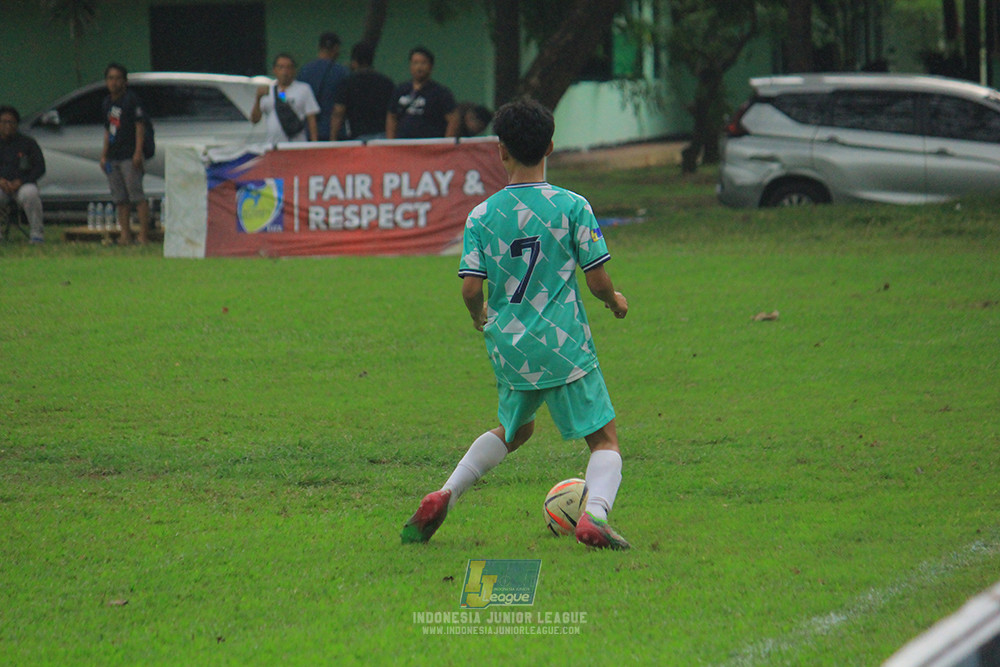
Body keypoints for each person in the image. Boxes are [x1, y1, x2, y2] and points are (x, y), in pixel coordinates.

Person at [401, 98, 631, 550]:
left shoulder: (482, 215)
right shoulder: (573, 206)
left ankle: (445, 492)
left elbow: (470, 289)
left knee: (515, 430)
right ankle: (595, 515)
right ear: (550, 146)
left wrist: (478, 317)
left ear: (500, 150)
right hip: (564, 343)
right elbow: (597, 279)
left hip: (510, 344)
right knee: (604, 437)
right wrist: (615, 301)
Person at [99, 63, 151, 245]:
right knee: (120, 198)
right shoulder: (107, 103)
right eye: (110, 78)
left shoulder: (131, 100)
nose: (114, 82)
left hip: (129, 154)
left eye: (118, 78)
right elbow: (108, 130)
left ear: (125, 81)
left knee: (136, 195)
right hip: (113, 156)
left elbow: (140, 126)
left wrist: (138, 152)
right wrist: (104, 155)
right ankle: (125, 235)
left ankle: (143, 235)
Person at [385, 46, 460, 139]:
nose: (419, 67)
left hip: (429, 147)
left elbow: (453, 119)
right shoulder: (401, 90)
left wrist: (445, 144)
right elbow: (392, 116)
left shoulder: (440, 92)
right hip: (403, 146)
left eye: (423, 63)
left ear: (431, 66)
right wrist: (391, 142)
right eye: (415, 63)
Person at [329, 42, 395, 141]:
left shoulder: (347, 83)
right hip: (383, 136)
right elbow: (393, 113)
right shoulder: (387, 82)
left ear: (354, 62)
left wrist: (332, 140)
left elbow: (338, 112)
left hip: (359, 137)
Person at [0, 106, 46, 243]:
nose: (7, 125)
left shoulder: (28, 143)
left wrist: (21, 181)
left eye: (11, 122)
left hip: (23, 184)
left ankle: (36, 234)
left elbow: (40, 168)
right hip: (2, 186)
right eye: (3, 122)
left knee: (30, 194)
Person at [251, 53, 320, 143]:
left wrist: (314, 145)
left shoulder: (303, 89)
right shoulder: (268, 90)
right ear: (274, 70)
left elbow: (311, 119)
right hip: (273, 145)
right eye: (281, 67)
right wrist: (258, 98)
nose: (285, 72)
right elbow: (255, 120)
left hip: (297, 144)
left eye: (288, 68)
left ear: (294, 70)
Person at [297, 32, 349, 141]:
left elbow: (290, 97)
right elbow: (340, 108)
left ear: (319, 47)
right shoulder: (341, 72)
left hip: (308, 131)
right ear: (336, 48)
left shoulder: (304, 71)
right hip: (335, 132)